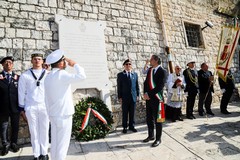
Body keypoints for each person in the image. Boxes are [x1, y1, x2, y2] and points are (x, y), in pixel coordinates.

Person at [44, 49, 86, 160]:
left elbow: (46, 98)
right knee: (62, 145)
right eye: (64, 60)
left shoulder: (47, 77)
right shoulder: (62, 75)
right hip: (64, 114)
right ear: (61, 63)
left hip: (53, 114)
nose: (66, 63)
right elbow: (82, 76)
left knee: (55, 143)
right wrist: (75, 64)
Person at [18, 52, 49, 160]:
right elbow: (21, 92)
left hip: (44, 106)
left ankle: (44, 153)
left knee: (44, 130)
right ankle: (36, 154)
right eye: (35, 59)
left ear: (42, 61)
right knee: (34, 131)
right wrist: (21, 109)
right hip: (31, 107)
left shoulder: (47, 74)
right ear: (31, 61)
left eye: (39, 59)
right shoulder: (25, 75)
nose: (37, 61)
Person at [142, 55, 167, 147]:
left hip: (157, 99)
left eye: (151, 59)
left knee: (158, 120)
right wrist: (145, 93)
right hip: (149, 99)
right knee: (149, 118)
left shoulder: (162, 71)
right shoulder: (150, 70)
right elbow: (145, 83)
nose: (150, 61)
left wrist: (149, 94)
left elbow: (160, 87)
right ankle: (151, 135)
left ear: (156, 60)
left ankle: (158, 139)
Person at [0, 56, 20, 156]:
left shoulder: (18, 78)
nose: (8, 64)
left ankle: (14, 143)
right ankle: (5, 145)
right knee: (4, 127)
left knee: (15, 126)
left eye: (10, 62)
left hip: (15, 107)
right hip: (2, 108)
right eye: (6, 62)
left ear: (12, 65)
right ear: (2, 65)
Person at [117, 59, 140, 133]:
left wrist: (138, 95)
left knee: (132, 113)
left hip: (133, 97)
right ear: (124, 66)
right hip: (124, 97)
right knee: (125, 113)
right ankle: (124, 127)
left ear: (131, 66)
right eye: (126, 64)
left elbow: (137, 86)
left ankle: (132, 126)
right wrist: (119, 97)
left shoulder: (135, 74)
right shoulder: (120, 75)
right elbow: (119, 87)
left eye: (129, 64)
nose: (128, 65)